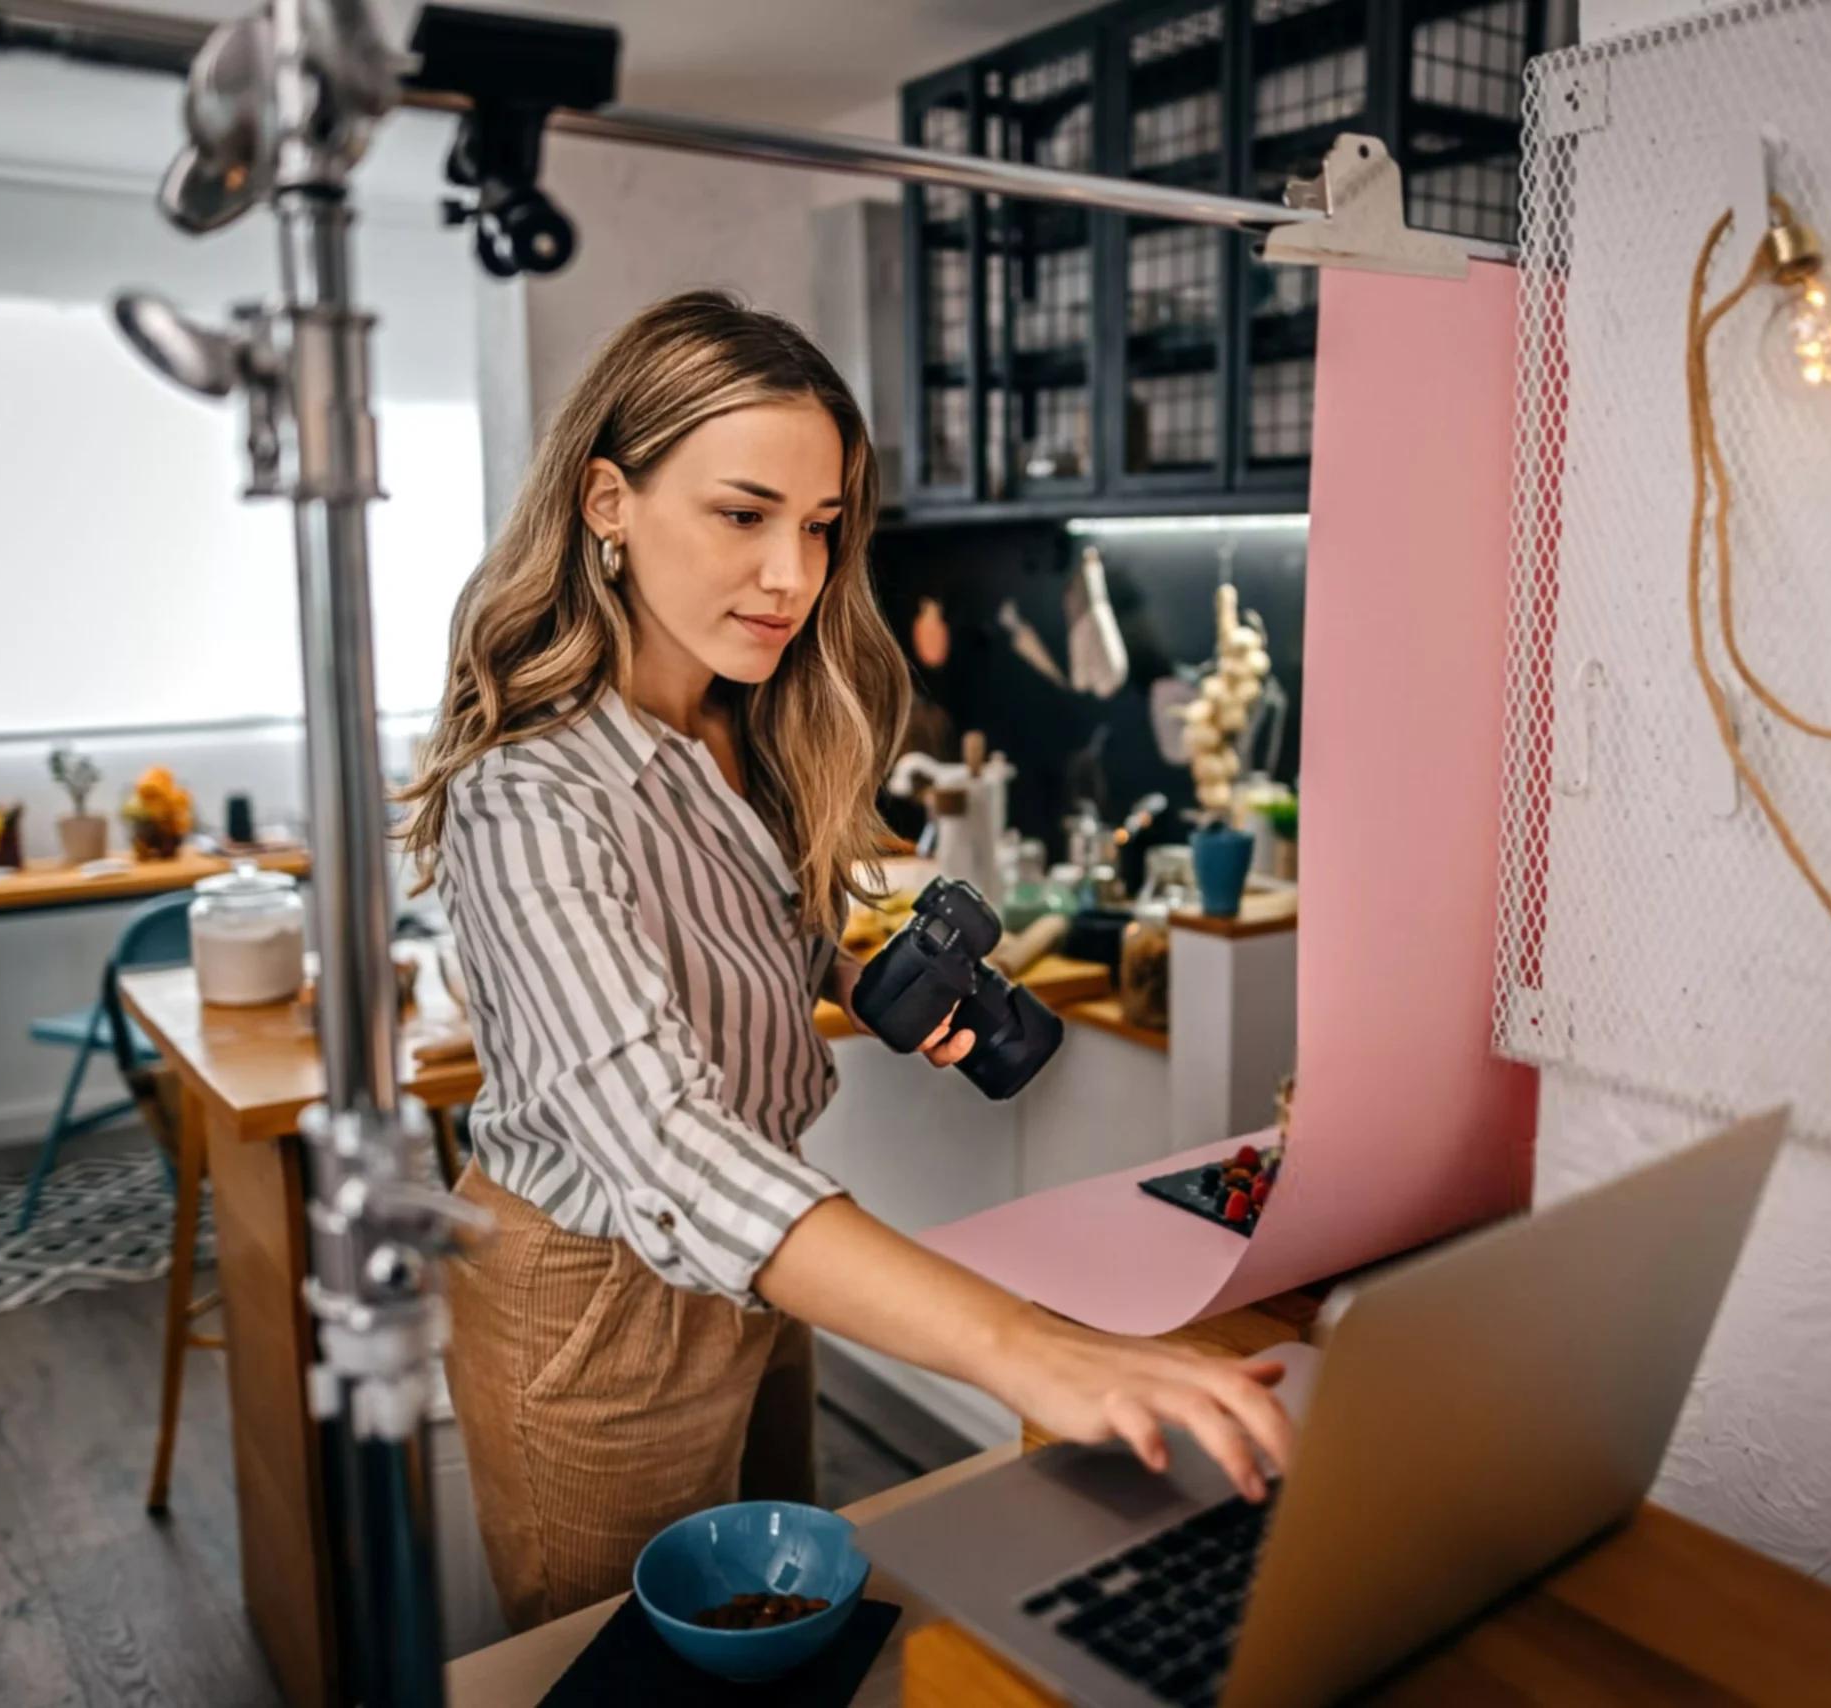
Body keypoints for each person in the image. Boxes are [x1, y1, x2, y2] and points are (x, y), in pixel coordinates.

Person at [398, 291, 1293, 1629]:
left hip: (763, 1259)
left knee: (779, 1645)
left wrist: (848, 976)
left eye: (820, 530)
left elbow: (731, 951)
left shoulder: (742, 724)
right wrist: (1024, 1346)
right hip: (595, 1304)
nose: (792, 578)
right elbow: (655, 1133)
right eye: (743, 515)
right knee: (625, 1672)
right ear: (606, 502)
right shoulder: (528, 794)